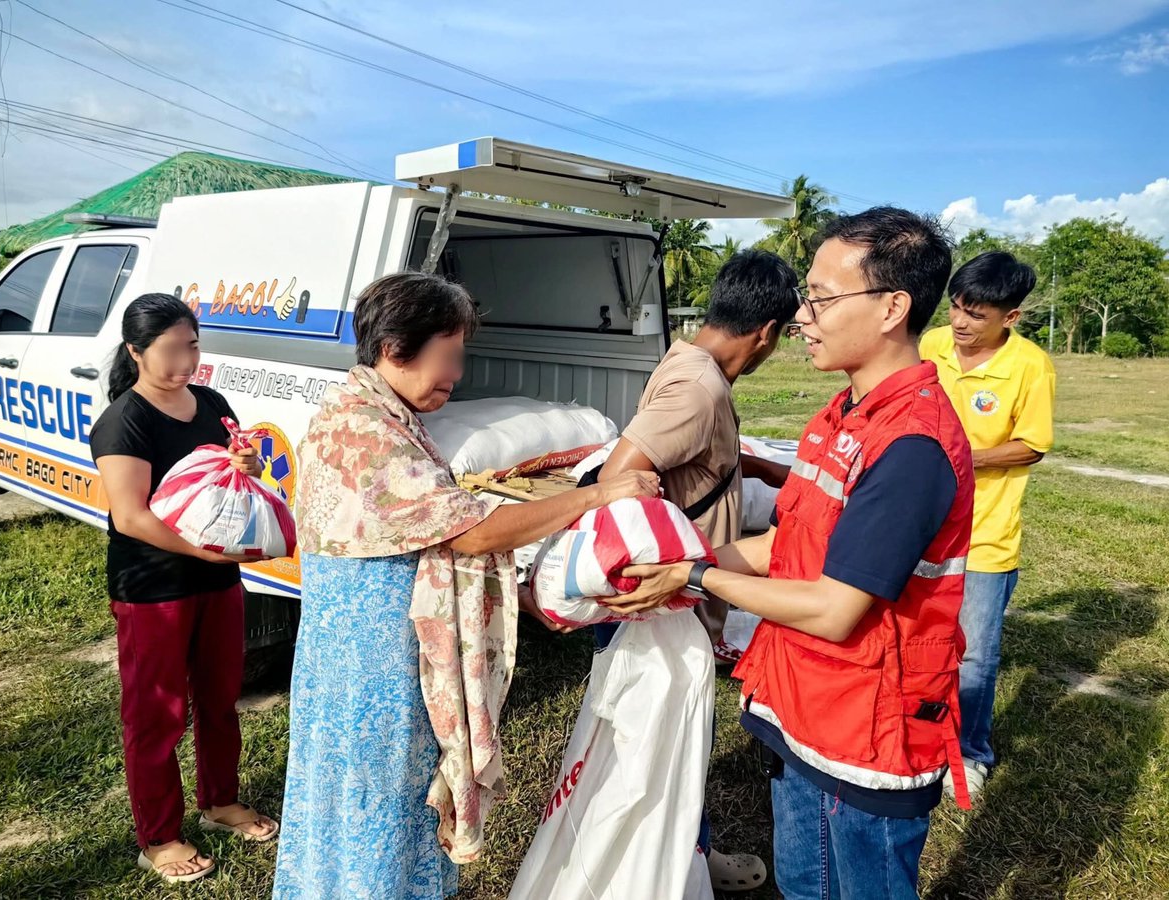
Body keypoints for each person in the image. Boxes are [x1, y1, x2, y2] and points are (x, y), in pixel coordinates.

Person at [609, 208, 976, 900]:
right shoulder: (838, 418)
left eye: (822, 298)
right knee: (806, 886)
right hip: (803, 710)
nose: (803, 316)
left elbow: (837, 609)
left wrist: (694, 573)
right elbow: (786, 542)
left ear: (893, 307)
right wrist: (682, 561)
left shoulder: (912, 447)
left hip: (864, 732)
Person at [271, 272, 658, 900]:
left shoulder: (377, 411)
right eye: (449, 355)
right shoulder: (365, 433)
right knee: (379, 792)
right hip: (370, 658)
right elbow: (472, 532)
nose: (456, 372)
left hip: (365, 651)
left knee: (372, 789)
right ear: (397, 347)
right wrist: (598, 494)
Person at [594, 247, 799, 893]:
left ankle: (689, 854)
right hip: (663, 605)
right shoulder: (700, 386)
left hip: (673, 600)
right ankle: (661, 872)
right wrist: (669, 564)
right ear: (766, 332)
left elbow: (681, 457)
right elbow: (617, 475)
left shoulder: (688, 361)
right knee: (658, 754)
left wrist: (746, 467)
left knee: (672, 750)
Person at [90, 294, 278, 884]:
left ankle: (219, 802)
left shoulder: (212, 402)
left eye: (192, 346)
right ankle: (160, 837)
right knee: (158, 717)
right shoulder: (125, 420)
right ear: (136, 353)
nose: (184, 361)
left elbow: (223, 477)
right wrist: (205, 551)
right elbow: (133, 517)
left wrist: (244, 466)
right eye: (170, 350)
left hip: (217, 579)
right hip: (153, 588)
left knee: (220, 700)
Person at [920, 251, 1055, 797]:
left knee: (974, 651)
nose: (959, 323)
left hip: (985, 535)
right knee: (917, 636)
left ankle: (971, 752)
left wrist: (961, 457)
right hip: (922, 527)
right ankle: (919, 735)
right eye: (956, 307)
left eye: (976, 314)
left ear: (1011, 318)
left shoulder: (1030, 366)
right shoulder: (929, 346)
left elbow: (1032, 446)